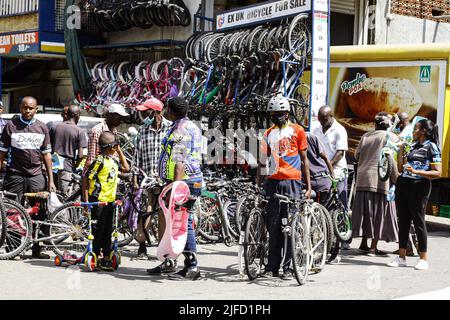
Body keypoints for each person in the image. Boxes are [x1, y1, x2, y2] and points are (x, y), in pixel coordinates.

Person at [147, 97, 203, 280]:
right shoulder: (191, 126)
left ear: (171, 111)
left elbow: (180, 160)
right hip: (188, 181)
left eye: (167, 109)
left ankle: (192, 267)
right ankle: (172, 262)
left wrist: (175, 187)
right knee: (180, 224)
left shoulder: (180, 131)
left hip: (184, 183)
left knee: (183, 224)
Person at [257, 95, 312, 280]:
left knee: (289, 226)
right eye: (273, 114)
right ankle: (272, 266)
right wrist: (259, 185)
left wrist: (308, 186)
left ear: (287, 113)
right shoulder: (267, 133)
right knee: (273, 226)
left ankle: (289, 267)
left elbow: (305, 160)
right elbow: (262, 162)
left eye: (279, 113)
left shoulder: (298, 131)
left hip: (292, 182)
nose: (276, 117)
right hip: (272, 182)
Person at [0, 96, 56, 259]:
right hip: (15, 176)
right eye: (25, 107)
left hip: (36, 177)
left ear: (36, 109)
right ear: (20, 108)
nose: (28, 111)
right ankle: (14, 249)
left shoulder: (42, 127)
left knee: (39, 213)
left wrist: (51, 180)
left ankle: (37, 249)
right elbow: (2, 153)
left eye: (31, 108)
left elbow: (47, 156)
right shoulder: (11, 126)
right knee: (12, 212)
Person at [388, 119, 442, 270]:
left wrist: (417, 172)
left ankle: (423, 258)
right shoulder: (412, 145)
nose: (412, 131)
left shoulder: (431, 147)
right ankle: (401, 257)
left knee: (418, 221)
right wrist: (400, 151)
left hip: (419, 186)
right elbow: (401, 167)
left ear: (424, 131)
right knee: (403, 221)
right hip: (403, 184)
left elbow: (438, 172)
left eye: (416, 129)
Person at [351, 112, 399, 256]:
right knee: (378, 213)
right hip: (380, 180)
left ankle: (363, 244)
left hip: (363, 179)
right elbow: (393, 161)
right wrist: (396, 179)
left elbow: (357, 155)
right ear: (389, 125)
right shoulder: (391, 137)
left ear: (375, 124)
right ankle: (373, 248)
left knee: (365, 212)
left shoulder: (366, 136)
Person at [82, 131, 129, 271]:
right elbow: (85, 179)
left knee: (109, 230)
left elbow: (126, 168)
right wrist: (86, 202)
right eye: (115, 145)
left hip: (110, 201)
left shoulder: (113, 160)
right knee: (98, 231)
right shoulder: (98, 161)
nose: (117, 147)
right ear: (109, 147)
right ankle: (96, 256)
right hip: (98, 201)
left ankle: (107, 257)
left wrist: (119, 151)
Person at [132, 98, 171, 259]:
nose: (142, 114)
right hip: (148, 178)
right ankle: (142, 246)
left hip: (166, 179)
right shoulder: (143, 130)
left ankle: (162, 249)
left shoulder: (170, 128)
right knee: (147, 209)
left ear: (156, 112)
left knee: (163, 213)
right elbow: (137, 155)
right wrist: (134, 177)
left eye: (145, 111)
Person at [312, 106, 350, 253]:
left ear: (331, 116)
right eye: (320, 120)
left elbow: (340, 153)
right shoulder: (316, 130)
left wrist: (328, 167)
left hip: (338, 171)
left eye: (325, 120)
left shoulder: (340, 130)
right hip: (322, 172)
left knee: (340, 203)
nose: (322, 123)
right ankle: (325, 235)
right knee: (324, 204)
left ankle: (344, 238)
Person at [83, 103, 129, 175]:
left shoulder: (114, 130)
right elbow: (91, 158)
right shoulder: (97, 130)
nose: (121, 120)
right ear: (111, 115)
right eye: (120, 117)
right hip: (97, 175)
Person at [51, 105, 87, 195]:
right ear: (76, 115)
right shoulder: (80, 131)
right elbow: (81, 155)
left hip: (52, 167)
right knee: (65, 197)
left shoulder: (55, 127)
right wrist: (76, 165)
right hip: (67, 167)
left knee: (52, 196)